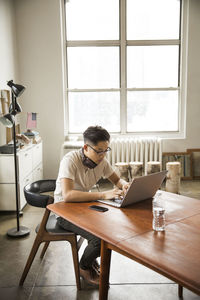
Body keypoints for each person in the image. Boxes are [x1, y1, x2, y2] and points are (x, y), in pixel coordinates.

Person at [54, 126, 129, 286]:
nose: (103, 155)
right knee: (99, 239)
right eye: (99, 151)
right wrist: (103, 194)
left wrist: (124, 184)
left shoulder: (101, 161)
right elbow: (67, 195)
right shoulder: (70, 160)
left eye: (106, 150)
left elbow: (116, 180)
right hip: (63, 211)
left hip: (84, 207)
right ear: (86, 147)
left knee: (110, 231)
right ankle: (84, 267)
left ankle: (90, 259)